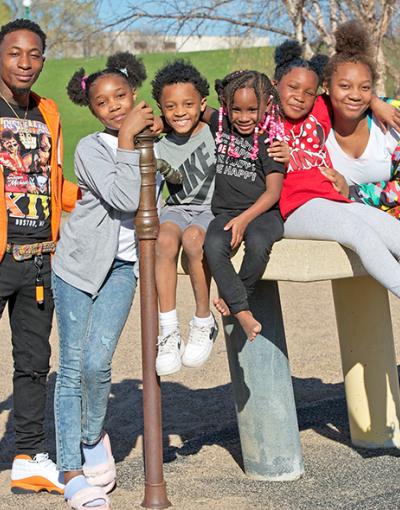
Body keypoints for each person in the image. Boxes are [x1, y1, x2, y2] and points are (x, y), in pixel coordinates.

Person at [52, 52, 152, 510]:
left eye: (120, 97)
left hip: (122, 270)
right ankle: (72, 467)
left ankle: (94, 436)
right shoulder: (91, 148)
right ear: (91, 109)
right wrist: (129, 138)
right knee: (71, 369)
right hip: (76, 265)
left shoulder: (153, 138)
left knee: (98, 364)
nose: (113, 106)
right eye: (101, 101)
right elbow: (124, 197)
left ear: (135, 95)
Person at [0, 19, 78, 494]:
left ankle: (28, 460)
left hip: (39, 256)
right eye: (14, 53)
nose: (25, 63)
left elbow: (49, 177)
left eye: (34, 55)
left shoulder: (47, 111)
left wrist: (86, 195)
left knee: (33, 363)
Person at [272, 36, 400, 300]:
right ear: (275, 86)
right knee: (358, 231)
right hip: (293, 206)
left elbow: (351, 93)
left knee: (386, 225)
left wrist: (375, 101)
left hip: (329, 199)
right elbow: (228, 104)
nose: (300, 97)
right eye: (292, 88)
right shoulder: (265, 115)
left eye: (308, 91)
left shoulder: (317, 109)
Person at [203, 70, 286, 340]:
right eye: (236, 109)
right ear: (226, 106)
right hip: (226, 213)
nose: (243, 117)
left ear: (267, 107)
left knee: (259, 242)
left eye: (253, 109)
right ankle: (242, 312)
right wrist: (159, 122)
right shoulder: (220, 123)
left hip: (263, 213)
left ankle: (236, 301)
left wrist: (245, 219)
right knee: (213, 245)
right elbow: (193, 110)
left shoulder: (269, 142)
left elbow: (273, 192)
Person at [151, 60, 218, 376]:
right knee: (163, 239)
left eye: (189, 104)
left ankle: (203, 321)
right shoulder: (159, 142)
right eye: (171, 106)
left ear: (202, 104)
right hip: (176, 209)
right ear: (161, 109)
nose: (180, 112)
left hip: (210, 210)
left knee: (193, 240)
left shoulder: (216, 132)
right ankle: (168, 329)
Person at [322, 21, 400, 218]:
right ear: (326, 87)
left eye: (365, 88)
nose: (355, 95)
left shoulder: (393, 119)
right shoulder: (312, 124)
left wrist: (352, 193)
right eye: (345, 86)